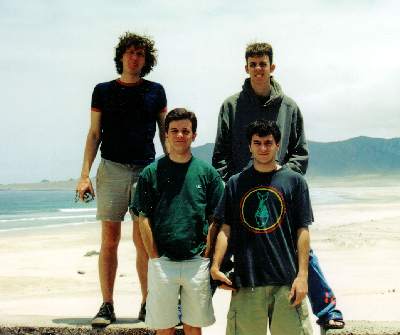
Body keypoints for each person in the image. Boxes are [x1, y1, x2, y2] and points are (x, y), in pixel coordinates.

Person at [212, 42, 344, 330]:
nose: (258, 69)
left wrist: (281, 179)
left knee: (300, 247)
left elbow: (300, 151)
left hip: (278, 192)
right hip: (241, 191)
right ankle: (189, 309)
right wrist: (236, 182)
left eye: (263, 64)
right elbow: (220, 155)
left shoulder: (289, 107)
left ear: (272, 67)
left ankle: (327, 309)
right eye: (253, 64)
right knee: (220, 239)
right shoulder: (231, 106)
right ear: (246, 68)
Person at [75, 32, 167, 326]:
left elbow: (166, 134)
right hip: (112, 168)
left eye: (140, 53)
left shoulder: (156, 91)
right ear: (121, 56)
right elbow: (93, 134)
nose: (134, 57)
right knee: (110, 239)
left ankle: (146, 303)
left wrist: (172, 172)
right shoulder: (102, 91)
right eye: (130, 52)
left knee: (144, 241)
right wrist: (83, 175)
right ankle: (107, 305)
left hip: (146, 170)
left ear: (146, 60)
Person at [211, 120, 313, 335]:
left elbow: (302, 231)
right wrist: (216, 266)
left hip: (286, 282)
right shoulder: (235, 184)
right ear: (249, 146)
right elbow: (226, 229)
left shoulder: (295, 181)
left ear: (278, 145)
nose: (263, 148)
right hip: (247, 282)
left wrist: (302, 276)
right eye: (257, 143)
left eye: (268, 142)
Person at [131, 108, 224, 335]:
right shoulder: (150, 173)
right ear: (166, 135)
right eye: (174, 131)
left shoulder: (208, 173)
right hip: (163, 262)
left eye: (185, 131)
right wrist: (154, 258)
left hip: (196, 262)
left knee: (194, 326)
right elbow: (143, 218)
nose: (180, 135)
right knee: (164, 327)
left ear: (194, 135)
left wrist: (206, 256)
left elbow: (216, 219)